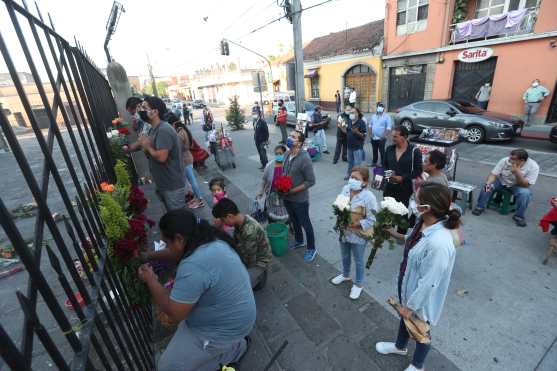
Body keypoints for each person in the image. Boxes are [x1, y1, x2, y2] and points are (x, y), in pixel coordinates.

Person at [138, 209, 255, 371]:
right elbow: (175, 252)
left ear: (179, 239)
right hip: (234, 316)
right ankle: (229, 347)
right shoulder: (207, 238)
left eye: (166, 243)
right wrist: (148, 256)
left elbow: (174, 313)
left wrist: (151, 280)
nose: (166, 247)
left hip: (225, 328)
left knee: (167, 367)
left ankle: (234, 349)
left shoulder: (193, 265)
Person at [375, 182, 458, 371]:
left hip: (421, 296)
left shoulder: (439, 243)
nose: (412, 201)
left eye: (416, 199)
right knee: (405, 319)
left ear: (426, 207)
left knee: (421, 328)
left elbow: (429, 283)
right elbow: (411, 239)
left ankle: (418, 365)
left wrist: (411, 306)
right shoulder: (424, 222)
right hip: (407, 282)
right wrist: (392, 233)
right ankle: (400, 346)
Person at [125, 96, 186, 211]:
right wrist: (126, 148)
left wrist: (147, 147)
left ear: (155, 112)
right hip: (164, 183)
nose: (140, 111)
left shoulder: (163, 130)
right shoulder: (154, 128)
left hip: (172, 184)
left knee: (179, 218)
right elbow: (142, 143)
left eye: (144, 108)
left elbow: (162, 157)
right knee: (173, 216)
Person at [330, 166, 377, 300]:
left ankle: (358, 284)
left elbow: (372, 218)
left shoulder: (369, 197)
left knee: (358, 260)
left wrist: (357, 224)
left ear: (364, 182)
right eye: (351, 177)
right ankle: (345, 274)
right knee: (345, 255)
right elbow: (339, 204)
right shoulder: (346, 189)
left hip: (358, 235)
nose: (352, 180)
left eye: (356, 178)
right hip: (343, 231)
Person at [212, 198, 273, 290]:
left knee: (238, 286)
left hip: (258, 262)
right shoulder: (240, 220)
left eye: (223, 220)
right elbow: (236, 244)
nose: (223, 223)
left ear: (229, 216)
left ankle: (260, 278)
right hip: (249, 255)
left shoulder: (249, 231)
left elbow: (249, 260)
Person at [472, 149, 539, 227]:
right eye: (510, 157)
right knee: (487, 187)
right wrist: (488, 183)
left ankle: (519, 216)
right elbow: (493, 174)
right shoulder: (504, 160)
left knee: (525, 194)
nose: (510, 160)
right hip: (501, 181)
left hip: (517, 185)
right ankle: (480, 207)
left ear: (522, 160)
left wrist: (517, 172)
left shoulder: (533, 167)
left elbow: (526, 185)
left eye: (513, 159)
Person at [282, 130, 317, 262]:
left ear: (299, 143)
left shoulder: (305, 158)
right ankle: (299, 240)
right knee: (294, 220)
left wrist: (293, 190)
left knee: (305, 223)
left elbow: (311, 181)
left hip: (299, 199)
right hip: (286, 197)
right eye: (289, 135)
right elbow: (282, 171)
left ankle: (311, 248)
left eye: (293, 137)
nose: (289, 138)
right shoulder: (287, 153)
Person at [167, 112, 205, 209]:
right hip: (187, 157)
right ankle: (196, 199)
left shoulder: (180, 134)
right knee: (190, 181)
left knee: (191, 181)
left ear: (174, 124)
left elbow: (177, 148)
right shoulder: (184, 130)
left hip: (185, 159)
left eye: (170, 125)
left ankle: (200, 200)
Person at [383, 126, 423, 207]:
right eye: (392, 136)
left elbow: (418, 171)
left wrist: (403, 177)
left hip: (405, 189)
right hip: (389, 188)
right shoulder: (389, 149)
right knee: (387, 213)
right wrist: (389, 175)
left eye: (395, 136)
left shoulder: (414, 151)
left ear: (404, 137)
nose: (392, 138)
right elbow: (384, 165)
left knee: (401, 215)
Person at [345, 106, 367, 180]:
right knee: (350, 162)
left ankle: (357, 177)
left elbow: (364, 136)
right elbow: (347, 131)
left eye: (353, 112)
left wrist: (357, 132)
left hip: (357, 147)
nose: (351, 114)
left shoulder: (361, 123)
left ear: (357, 113)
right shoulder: (349, 121)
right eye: (351, 112)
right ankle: (349, 174)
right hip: (349, 146)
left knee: (357, 164)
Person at [369, 102, 392, 167]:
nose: (380, 108)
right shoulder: (373, 116)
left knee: (382, 151)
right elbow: (370, 125)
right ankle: (374, 162)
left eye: (381, 107)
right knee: (374, 150)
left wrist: (384, 135)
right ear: (377, 108)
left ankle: (383, 163)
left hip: (382, 138)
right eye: (379, 106)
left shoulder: (387, 117)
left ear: (383, 108)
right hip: (373, 137)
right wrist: (370, 134)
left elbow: (388, 127)